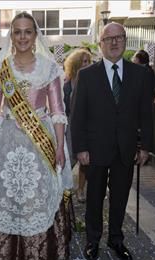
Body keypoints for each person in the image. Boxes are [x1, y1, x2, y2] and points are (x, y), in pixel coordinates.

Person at [0, 12, 74, 260]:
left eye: (28, 31)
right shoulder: (1, 68)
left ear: (35, 35)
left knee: (36, 194)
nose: (22, 37)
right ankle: (8, 255)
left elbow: (57, 112)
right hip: (8, 140)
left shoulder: (49, 67)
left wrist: (61, 148)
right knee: (10, 192)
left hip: (40, 142)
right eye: (17, 32)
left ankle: (38, 252)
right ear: (11, 36)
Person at [71, 22, 153, 260]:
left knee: (119, 198)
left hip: (125, 149)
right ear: (101, 44)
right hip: (95, 150)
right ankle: (92, 241)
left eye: (119, 38)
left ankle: (116, 239)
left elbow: (146, 114)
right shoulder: (86, 75)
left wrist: (145, 146)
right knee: (94, 197)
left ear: (125, 41)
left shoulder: (140, 74)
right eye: (109, 39)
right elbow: (78, 116)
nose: (115, 42)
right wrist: (81, 149)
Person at [63, 48, 92, 202]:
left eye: (88, 61)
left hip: (86, 126)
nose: (86, 64)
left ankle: (80, 189)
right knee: (68, 159)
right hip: (68, 127)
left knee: (84, 161)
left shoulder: (92, 81)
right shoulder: (67, 83)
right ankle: (65, 188)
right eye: (83, 61)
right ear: (75, 64)